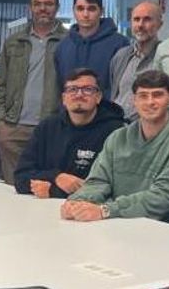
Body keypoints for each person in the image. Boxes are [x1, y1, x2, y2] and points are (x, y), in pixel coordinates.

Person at [62, 70, 169, 225]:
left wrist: (105, 210)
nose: (150, 102)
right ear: (134, 100)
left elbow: (163, 198)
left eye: (157, 95)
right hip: (117, 225)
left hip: (165, 231)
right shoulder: (118, 137)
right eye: (143, 96)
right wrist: (77, 201)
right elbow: (98, 181)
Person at [0, 0, 68, 184]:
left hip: (51, 127)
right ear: (30, 8)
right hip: (13, 127)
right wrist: (1, 121)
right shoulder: (14, 41)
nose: (43, 8)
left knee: (45, 187)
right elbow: (1, 83)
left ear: (57, 7)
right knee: (13, 187)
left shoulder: (69, 42)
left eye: (48, 4)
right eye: (38, 4)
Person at [13, 68, 124, 198]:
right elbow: (20, 178)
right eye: (72, 89)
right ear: (64, 98)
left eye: (87, 89)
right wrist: (56, 176)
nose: (79, 95)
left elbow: (113, 189)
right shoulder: (47, 127)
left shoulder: (116, 132)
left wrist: (53, 191)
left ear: (98, 97)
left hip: (90, 213)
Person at [54, 0, 128, 94]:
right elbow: (60, 87)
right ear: (73, 10)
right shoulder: (63, 46)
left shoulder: (120, 44)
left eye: (91, 9)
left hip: (107, 109)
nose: (85, 14)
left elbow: (122, 87)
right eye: (80, 8)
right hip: (70, 109)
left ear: (101, 11)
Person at [109, 0, 162, 120]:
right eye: (136, 19)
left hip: (147, 130)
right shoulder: (121, 56)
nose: (140, 25)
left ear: (160, 24)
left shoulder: (164, 57)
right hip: (117, 126)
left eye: (147, 19)